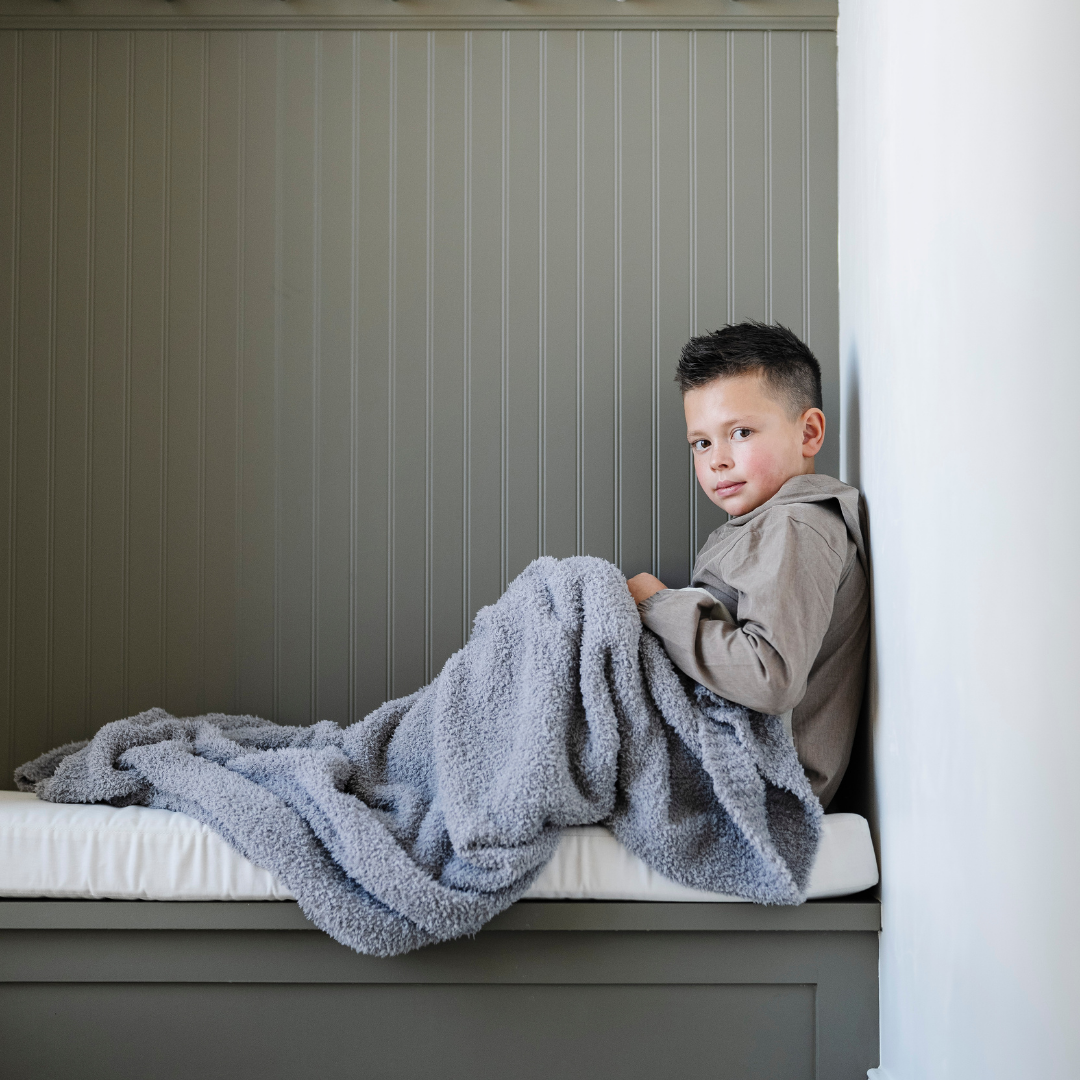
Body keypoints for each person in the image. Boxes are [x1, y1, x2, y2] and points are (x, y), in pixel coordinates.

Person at [628, 322, 869, 807]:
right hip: (727, 756)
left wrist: (656, 603)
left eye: (740, 432)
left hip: (759, 783)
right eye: (701, 443)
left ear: (809, 433)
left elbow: (768, 674)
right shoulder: (764, 526)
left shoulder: (797, 526)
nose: (717, 460)